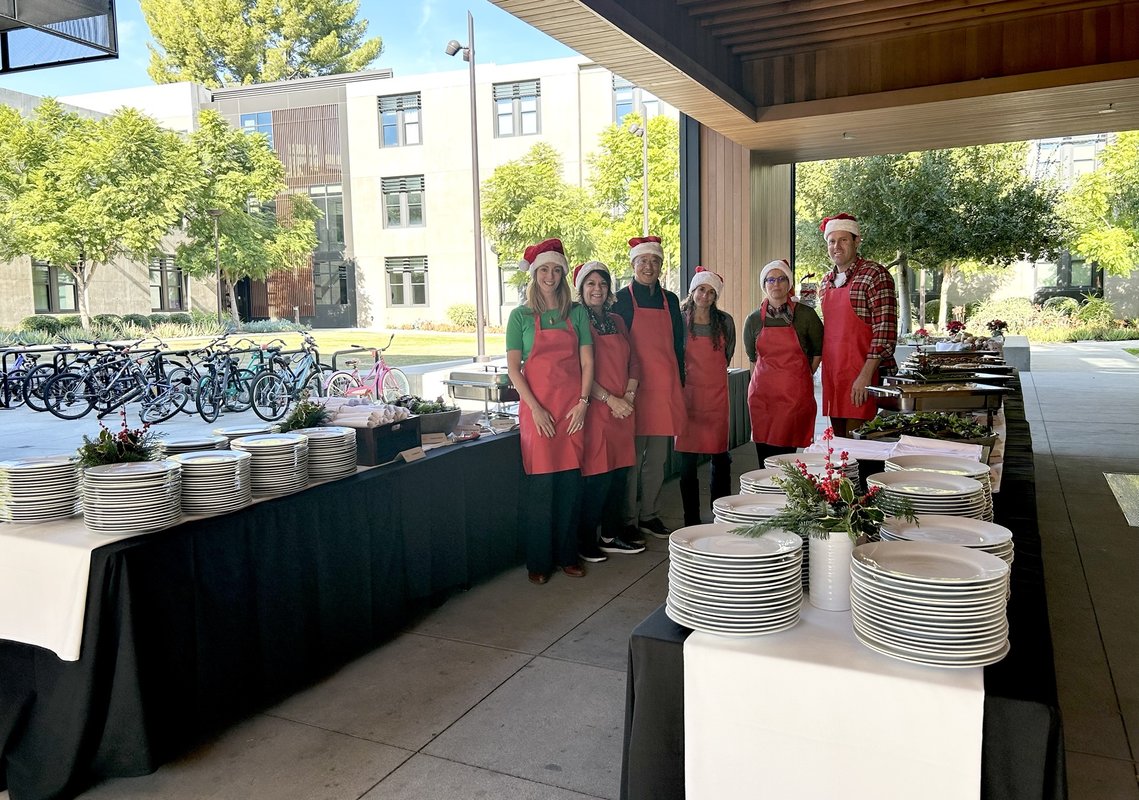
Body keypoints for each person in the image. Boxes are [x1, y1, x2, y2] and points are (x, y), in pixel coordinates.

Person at [506, 238, 594, 585]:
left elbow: (588, 361)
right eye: (544, 269)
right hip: (537, 412)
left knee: (570, 487)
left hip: (572, 411)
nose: (550, 276)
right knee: (541, 490)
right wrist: (536, 409)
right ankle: (539, 563)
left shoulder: (577, 313)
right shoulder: (520, 317)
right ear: (534, 274)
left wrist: (584, 403)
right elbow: (515, 369)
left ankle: (568, 556)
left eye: (556, 270)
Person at [612, 235, 687, 541]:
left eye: (654, 261)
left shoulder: (670, 300)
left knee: (657, 459)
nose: (649, 266)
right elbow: (617, 348)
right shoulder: (620, 299)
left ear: (660, 266)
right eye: (643, 261)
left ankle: (650, 514)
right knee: (632, 458)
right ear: (633, 264)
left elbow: (678, 346)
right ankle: (629, 518)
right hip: (634, 391)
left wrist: (679, 384)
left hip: (664, 389)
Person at [573, 261, 645, 562]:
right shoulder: (576, 320)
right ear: (580, 289)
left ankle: (610, 534)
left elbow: (634, 362)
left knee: (618, 475)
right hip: (597, 410)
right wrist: (610, 400)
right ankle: (586, 540)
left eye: (602, 283)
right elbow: (578, 368)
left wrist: (627, 396)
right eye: (590, 284)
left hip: (623, 410)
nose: (597, 289)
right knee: (597, 477)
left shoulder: (617, 320)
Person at [818, 213, 898, 438]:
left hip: (863, 374)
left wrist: (864, 377)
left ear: (856, 241)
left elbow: (885, 332)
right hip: (834, 377)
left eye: (843, 240)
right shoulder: (826, 282)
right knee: (840, 447)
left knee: (860, 447)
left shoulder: (874, 274)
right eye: (832, 241)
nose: (837, 246)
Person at [744, 259, 824, 466]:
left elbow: (817, 351)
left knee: (787, 459)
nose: (776, 284)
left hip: (793, 397)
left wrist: (803, 377)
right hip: (763, 398)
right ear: (764, 285)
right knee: (764, 458)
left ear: (789, 283)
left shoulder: (806, 315)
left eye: (781, 279)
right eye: (770, 279)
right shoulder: (753, 319)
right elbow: (753, 358)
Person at [674, 267, 734, 527]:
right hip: (687, 396)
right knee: (687, 463)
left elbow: (727, 354)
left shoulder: (725, 322)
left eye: (711, 292)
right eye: (701, 290)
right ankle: (691, 519)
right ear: (692, 291)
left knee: (720, 458)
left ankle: (720, 514)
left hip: (716, 397)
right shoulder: (678, 320)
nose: (705, 296)